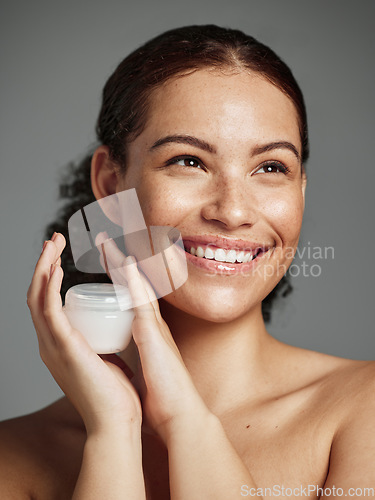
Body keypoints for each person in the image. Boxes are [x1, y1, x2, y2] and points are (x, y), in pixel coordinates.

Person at [0, 25, 374, 499]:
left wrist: (185, 421)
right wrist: (114, 432)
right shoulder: (11, 459)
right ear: (112, 184)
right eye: (189, 161)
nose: (233, 212)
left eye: (271, 168)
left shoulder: (365, 411)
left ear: (301, 188)